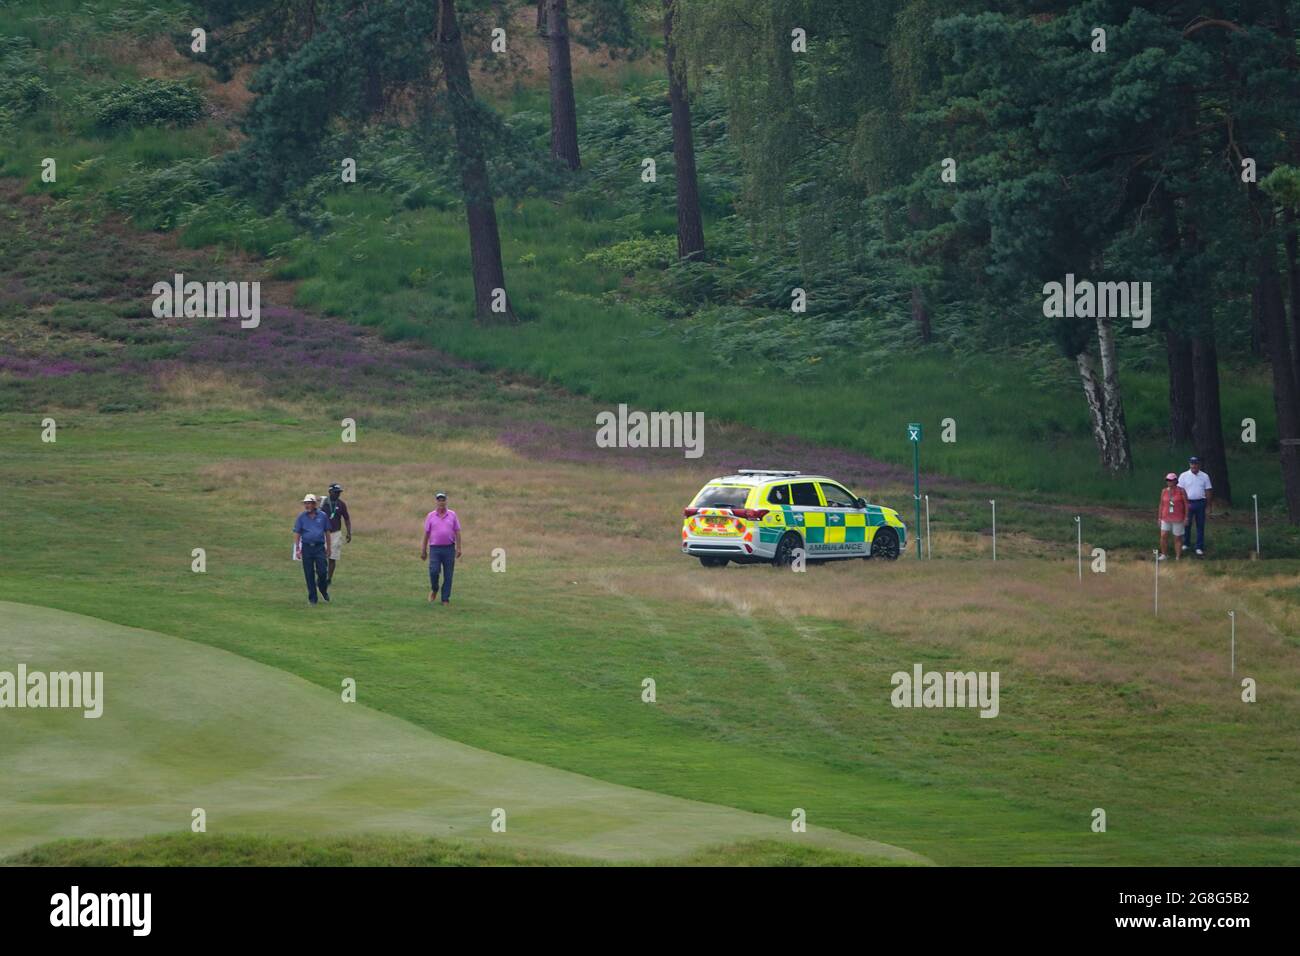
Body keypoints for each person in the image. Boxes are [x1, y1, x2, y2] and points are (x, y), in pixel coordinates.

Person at [420, 491, 462, 606]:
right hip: (435, 549)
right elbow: (426, 534)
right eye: (439, 500)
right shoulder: (431, 516)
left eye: (443, 500)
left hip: (449, 548)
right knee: (434, 571)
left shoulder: (452, 515)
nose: (441, 502)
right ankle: (434, 589)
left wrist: (459, 548)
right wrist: (423, 550)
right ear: (436, 502)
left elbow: (457, 531)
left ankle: (445, 599)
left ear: (446, 501)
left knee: (448, 575)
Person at [293, 493, 332, 605]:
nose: (307, 505)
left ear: (314, 504)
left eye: (309, 503)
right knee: (309, 573)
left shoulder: (322, 516)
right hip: (306, 547)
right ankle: (313, 599)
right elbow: (297, 533)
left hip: (319, 547)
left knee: (322, 571)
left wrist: (328, 548)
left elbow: (327, 532)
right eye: (306, 503)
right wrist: (297, 549)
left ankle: (323, 589)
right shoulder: (301, 517)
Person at [1178, 456, 1213, 556]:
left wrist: (1209, 506)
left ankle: (1199, 546)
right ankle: (1186, 543)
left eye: (1196, 463)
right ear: (1190, 464)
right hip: (1187, 502)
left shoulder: (1204, 476)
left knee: (1200, 525)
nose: (1194, 465)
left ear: (1199, 464)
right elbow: (1180, 490)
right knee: (1187, 524)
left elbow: (1208, 491)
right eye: (1192, 463)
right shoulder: (1184, 475)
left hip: (1200, 502)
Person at [320, 482, 351, 585]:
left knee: (333, 557)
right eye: (335, 492)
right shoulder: (323, 503)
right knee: (321, 557)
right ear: (330, 492)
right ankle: (322, 577)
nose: (338, 494)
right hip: (323, 533)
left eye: (339, 492)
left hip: (336, 533)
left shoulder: (341, 504)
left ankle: (328, 579)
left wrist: (349, 532)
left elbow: (346, 519)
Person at [1157, 472, 1188, 561]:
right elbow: (1161, 504)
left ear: (1175, 481)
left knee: (1177, 537)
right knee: (1163, 535)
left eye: (1170, 480)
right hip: (1166, 516)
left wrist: (1186, 517)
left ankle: (1178, 556)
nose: (1168, 482)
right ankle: (1164, 554)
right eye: (1167, 480)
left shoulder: (1181, 491)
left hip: (1178, 517)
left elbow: (1186, 504)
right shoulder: (1164, 491)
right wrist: (1159, 517)